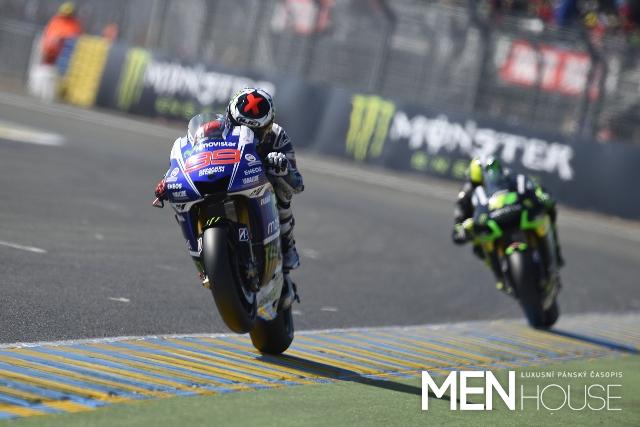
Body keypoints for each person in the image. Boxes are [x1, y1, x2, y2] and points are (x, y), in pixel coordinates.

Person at [154, 88, 304, 284]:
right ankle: (201, 254)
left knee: (284, 193)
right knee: (181, 197)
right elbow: (189, 154)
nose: (247, 132)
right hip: (226, 174)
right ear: (229, 117)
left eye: (255, 131)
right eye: (239, 125)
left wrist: (283, 168)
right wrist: (168, 178)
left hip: (260, 181)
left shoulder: (278, 136)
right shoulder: (213, 127)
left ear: (268, 127)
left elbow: (297, 184)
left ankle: (287, 245)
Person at [451, 157, 564, 289]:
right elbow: (458, 219)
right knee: (477, 246)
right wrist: (461, 229)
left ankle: (555, 252)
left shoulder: (509, 177)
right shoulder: (466, 192)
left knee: (547, 212)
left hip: (511, 214)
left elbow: (531, 188)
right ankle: (498, 273)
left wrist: (541, 196)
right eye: (479, 183)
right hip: (486, 225)